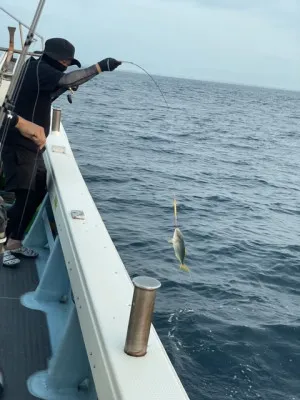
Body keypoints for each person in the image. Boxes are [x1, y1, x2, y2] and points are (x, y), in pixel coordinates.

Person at [0, 38, 122, 267]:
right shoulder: (44, 69)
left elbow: (46, 90)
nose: (67, 66)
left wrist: (61, 87)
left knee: (36, 192)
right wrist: (99, 68)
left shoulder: (36, 68)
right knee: (24, 196)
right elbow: (66, 79)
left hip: (33, 144)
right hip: (20, 144)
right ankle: (5, 245)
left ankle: (15, 242)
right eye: (66, 61)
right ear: (57, 58)